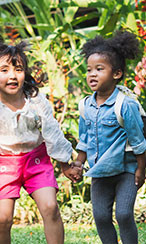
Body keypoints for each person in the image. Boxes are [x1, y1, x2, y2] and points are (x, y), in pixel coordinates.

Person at [0, 41, 81, 244]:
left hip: (36, 160)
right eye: (4, 70)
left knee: (50, 207)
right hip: (2, 165)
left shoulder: (35, 101)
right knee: (2, 218)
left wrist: (65, 165)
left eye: (18, 69)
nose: (12, 76)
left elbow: (52, 132)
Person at [73, 30, 146, 244]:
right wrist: (78, 163)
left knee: (123, 214)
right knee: (101, 217)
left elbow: (138, 141)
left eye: (99, 69)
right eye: (89, 70)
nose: (92, 74)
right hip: (100, 171)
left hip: (126, 170)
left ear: (116, 74)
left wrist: (141, 170)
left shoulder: (126, 105)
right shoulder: (85, 105)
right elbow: (84, 140)